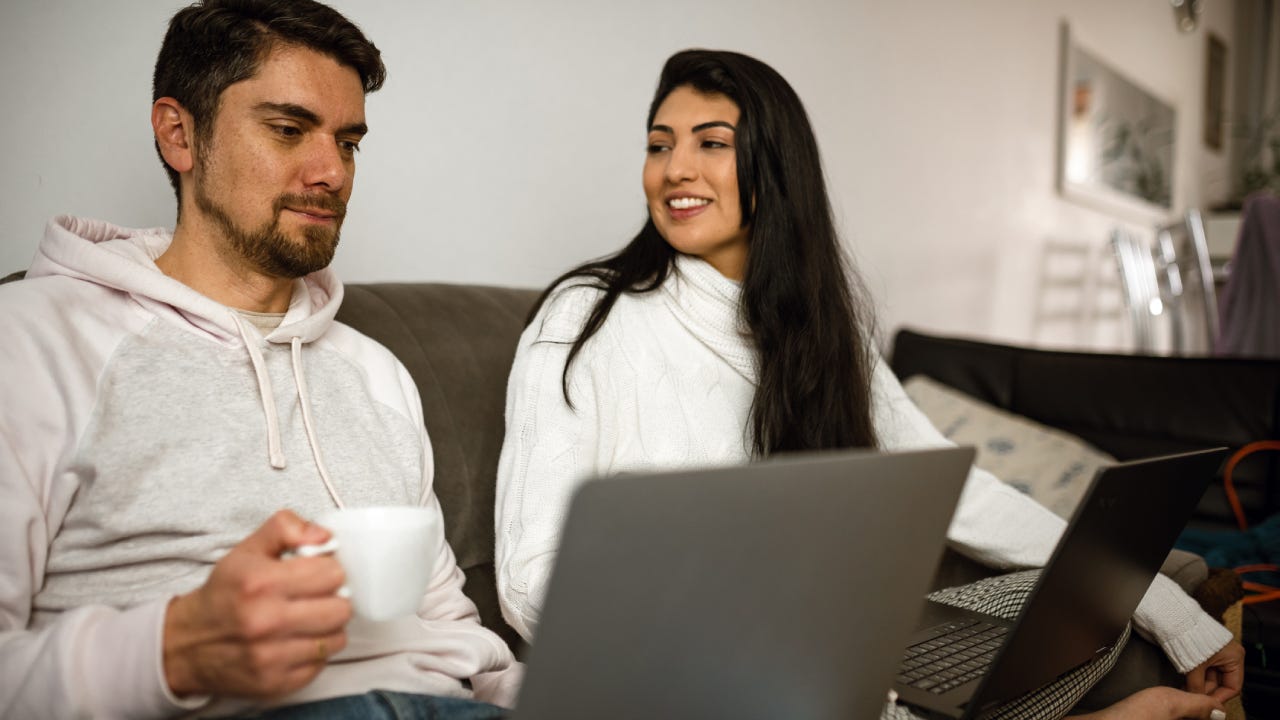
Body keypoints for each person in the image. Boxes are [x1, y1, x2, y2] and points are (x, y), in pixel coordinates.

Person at [494, 49, 1243, 718]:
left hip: (827, 662)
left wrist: (1167, 606)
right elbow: (530, 579)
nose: (674, 169)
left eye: (711, 144)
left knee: (1083, 606)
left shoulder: (820, 332)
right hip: (686, 678)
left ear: (774, 167)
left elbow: (960, 493)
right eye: (659, 146)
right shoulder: (586, 317)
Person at [0, 1, 518, 718]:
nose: (332, 171)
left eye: (349, 142)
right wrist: (171, 650)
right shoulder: (30, 343)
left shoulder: (375, 372)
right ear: (180, 135)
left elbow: (452, 634)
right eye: (288, 130)